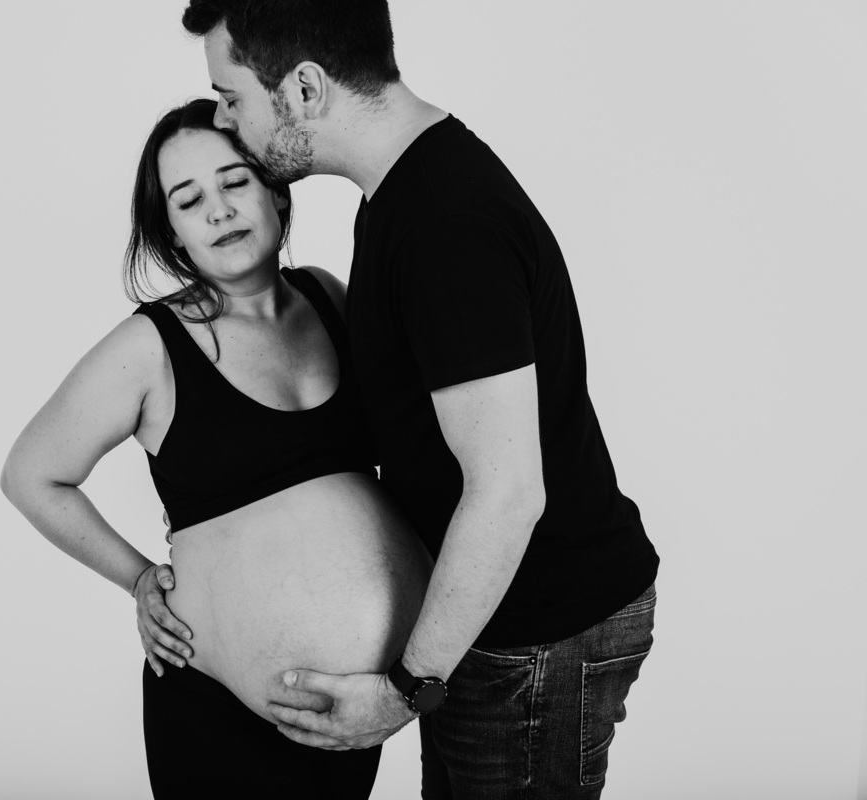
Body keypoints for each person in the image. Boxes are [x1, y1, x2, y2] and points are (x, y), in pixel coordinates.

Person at [157, 2, 662, 798]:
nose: (224, 120)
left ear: (305, 88)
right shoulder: (402, 193)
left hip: (533, 643)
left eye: (231, 97)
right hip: (486, 639)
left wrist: (405, 689)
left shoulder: (441, 224)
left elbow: (507, 495)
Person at [0, 98, 432, 799]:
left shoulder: (327, 296)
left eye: (234, 182)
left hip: (354, 713)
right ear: (172, 233)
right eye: (189, 199)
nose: (219, 210)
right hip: (215, 716)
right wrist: (139, 578)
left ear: (276, 192)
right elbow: (31, 475)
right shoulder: (149, 347)